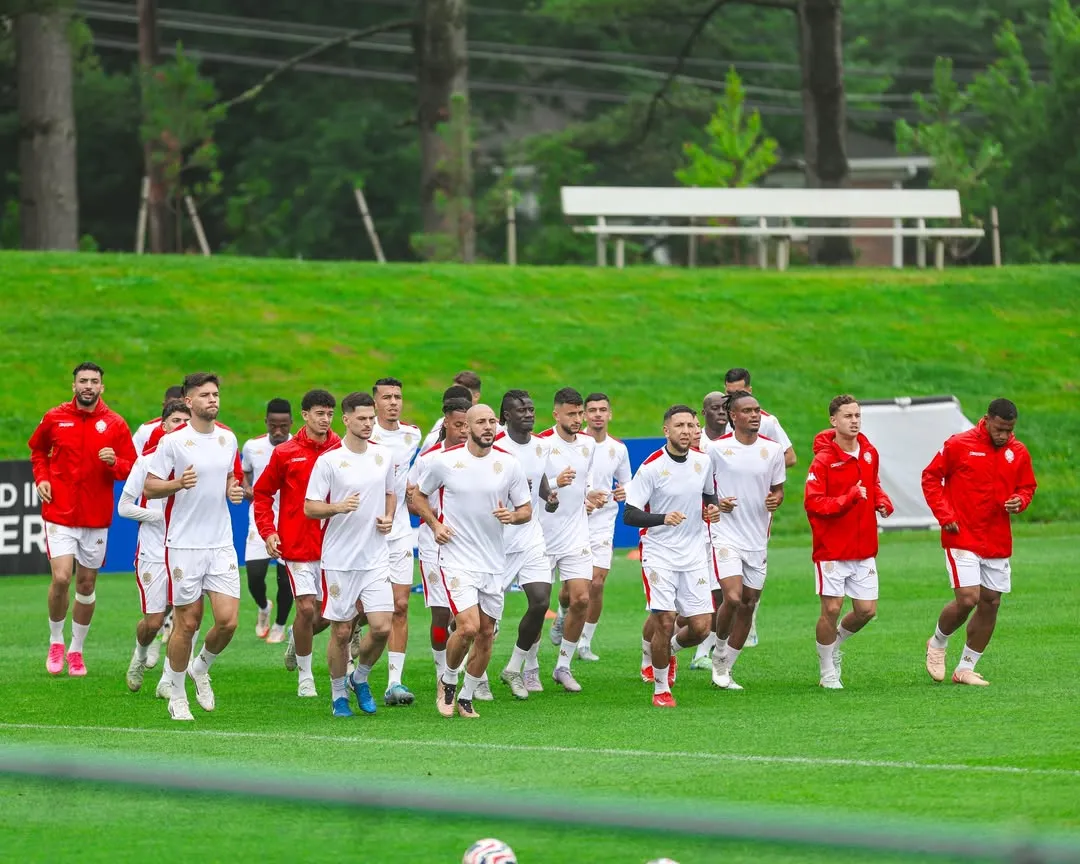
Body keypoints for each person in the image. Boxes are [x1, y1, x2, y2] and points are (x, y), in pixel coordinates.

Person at [411, 404, 532, 718]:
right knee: (467, 627)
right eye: (481, 422)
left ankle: (466, 697)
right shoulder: (444, 462)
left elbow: (526, 510)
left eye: (492, 421)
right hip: (456, 558)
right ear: (466, 426)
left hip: (493, 561)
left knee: (486, 633)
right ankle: (448, 680)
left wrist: (513, 515)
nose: (489, 427)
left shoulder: (509, 465)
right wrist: (436, 525)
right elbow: (418, 497)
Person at [144, 372, 246, 721]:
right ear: (189, 402)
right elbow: (150, 485)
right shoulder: (173, 442)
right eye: (204, 395)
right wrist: (176, 483)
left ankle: (200, 667)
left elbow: (233, 480)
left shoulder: (228, 439)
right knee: (187, 624)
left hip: (220, 542)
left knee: (229, 622)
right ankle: (176, 693)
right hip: (184, 544)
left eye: (215, 394)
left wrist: (234, 491)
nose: (212, 400)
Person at [29, 362, 138, 677]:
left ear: (102, 387)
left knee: (87, 584)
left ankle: (76, 650)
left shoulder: (115, 423)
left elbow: (130, 466)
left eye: (94, 381)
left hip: (95, 516)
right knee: (62, 577)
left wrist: (114, 462)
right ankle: (55, 642)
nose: (88, 386)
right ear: (73, 385)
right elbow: (38, 451)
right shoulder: (55, 417)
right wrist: (42, 479)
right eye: (83, 381)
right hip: (60, 512)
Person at [921, 398, 1036, 686]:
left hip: (996, 539)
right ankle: (937, 643)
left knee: (991, 602)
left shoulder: (1017, 452)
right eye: (999, 429)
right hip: (962, 534)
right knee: (968, 598)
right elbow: (931, 477)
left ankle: (965, 669)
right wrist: (945, 514)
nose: (1004, 436)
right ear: (987, 420)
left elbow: (1027, 486)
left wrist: (1020, 501)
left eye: (1009, 431)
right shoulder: (959, 444)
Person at [304, 392, 396, 718]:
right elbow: (310, 507)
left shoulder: (382, 456)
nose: (369, 424)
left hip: (374, 556)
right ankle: (338, 694)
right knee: (341, 631)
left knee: (383, 627)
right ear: (346, 420)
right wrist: (338, 507)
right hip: (340, 559)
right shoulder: (329, 461)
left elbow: (390, 493)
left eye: (372, 418)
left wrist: (388, 516)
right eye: (362, 419)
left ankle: (361, 678)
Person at [625, 405, 720, 707]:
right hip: (659, 552)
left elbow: (708, 495)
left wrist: (713, 508)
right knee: (664, 621)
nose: (686, 431)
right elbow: (629, 515)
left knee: (702, 627)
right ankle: (661, 689)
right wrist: (662, 518)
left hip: (694, 552)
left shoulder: (703, 462)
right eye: (679, 425)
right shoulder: (651, 467)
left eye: (691, 425)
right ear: (666, 430)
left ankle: (667, 652)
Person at [254, 389, 340, 698]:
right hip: (298, 544)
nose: (325, 419)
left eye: (330, 414)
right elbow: (262, 493)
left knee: (328, 616)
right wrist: (268, 531)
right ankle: (305, 676)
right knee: (305, 609)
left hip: (334, 545)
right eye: (319, 413)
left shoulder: (342, 450)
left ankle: (295, 637)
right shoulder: (286, 452)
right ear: (304, 415)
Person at [804, 395, 894, 689]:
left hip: (863, 546)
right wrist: (849, 498)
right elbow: (813, 503)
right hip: (832, 548)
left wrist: (880, 500)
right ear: (833, 421)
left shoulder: (869, 453)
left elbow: (873, 484)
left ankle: (833, 643)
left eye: (857, 415)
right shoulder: (823, 461)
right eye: (847, 416)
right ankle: (827, 669)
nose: (854, 421)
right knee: (831, 608)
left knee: (867, 610)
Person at [708, 390, 786, 691]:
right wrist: (717, 503)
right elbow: (702, 490)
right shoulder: (715, 449)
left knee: (749, 603)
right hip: (725, 533)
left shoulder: (773, 450)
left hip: (757, 536)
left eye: (757, 410)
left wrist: (775, 500)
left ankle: (726, 665)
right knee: (733, 597)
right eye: (748, 411)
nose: (755, 415)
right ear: (733, 416)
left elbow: (778, 490)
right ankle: (718, 652)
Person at [119, 399, 191, 690]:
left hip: (186, 550)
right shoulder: (147, 461)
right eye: (176, 421)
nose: (181, 426)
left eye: (187, 421)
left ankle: (169, 679)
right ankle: (139, 654)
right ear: (163, 426)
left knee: (186, 616)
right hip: (153, 551)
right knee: (153, 621)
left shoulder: (197, 465)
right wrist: (157, 516)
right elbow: (124, 507)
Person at [494, 390, 560, 698]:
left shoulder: (542, 446)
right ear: (506, 415)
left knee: (540, 601)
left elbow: (540, 477)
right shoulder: (495, 447)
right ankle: (470, 673)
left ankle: (514, 668)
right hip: (496, 540)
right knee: (485, 620)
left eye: (532, 409)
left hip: (531, 535)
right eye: (521, 410)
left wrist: (548, 497)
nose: (529, 414)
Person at [557, 392, 629, 663]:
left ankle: (584, 641)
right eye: (592, 410)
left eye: (603, 410)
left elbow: (626, 482)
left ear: (610, 414)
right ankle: (563, 615)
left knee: (597, 582)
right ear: (584, 415)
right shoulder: (576, 444)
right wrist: (585, 499)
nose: (598, 414)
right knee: (573, 590)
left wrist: (623, 492)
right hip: (575, 520)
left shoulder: (618, 448)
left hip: (603, 521)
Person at [541, 387, 604, 692]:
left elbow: (585, 480)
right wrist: (555, 482)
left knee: (581, 598)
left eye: (580, 413)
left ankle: (562, 666)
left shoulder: (588, 444)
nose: (578, 419)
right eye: (571, 413)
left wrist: (589, 495)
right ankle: (526, 666)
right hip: (541, 535)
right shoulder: (541, 444)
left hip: (576, 532)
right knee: (537, 605)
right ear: (556, 414)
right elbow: (529, 485)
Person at [406, 396, 472, 684]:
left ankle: (461, 669)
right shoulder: (429, 458)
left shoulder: (484, 458)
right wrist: (433, 516)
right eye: (458, 425)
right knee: (441, 612)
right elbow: (411, 501)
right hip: (435, 543)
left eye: (468, 425)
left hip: (472, 546)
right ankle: (441, 671)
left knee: (468, 616)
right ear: (446, 422)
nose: (464, 431)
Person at [369, 377, 422, 706]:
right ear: (374, 402)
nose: (393, 402)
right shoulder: (364, 433)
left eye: (397, 397)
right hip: (364, 533)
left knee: (400, 606)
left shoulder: (411, 435)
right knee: (360, 612)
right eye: (386, 397)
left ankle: (394, 682)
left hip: (399, 529)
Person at [241, 398, 293, 642]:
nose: (278, 431)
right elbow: (245, 475)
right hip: (260, 518)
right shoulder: (253, 447)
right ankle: (263, 607)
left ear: (291, 423)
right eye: (273, 425)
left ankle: (280, 625)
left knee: (286, 580)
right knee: (254, 576)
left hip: (291, 520)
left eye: (283, 426)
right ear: (266, 423)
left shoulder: (298, 446)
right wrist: (247, 489)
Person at [690, 391, 729, 670]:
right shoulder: (695, 442)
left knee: (722, 594)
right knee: (691, 602)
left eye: (725, 407)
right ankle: (659, 648)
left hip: (728, 528)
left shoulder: (737, 441)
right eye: (715, 408)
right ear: (704, 413)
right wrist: (713, 502)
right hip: (696, 529)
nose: (721, 412)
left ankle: (703, 652)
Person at [421, 383, 478, 452]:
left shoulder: (481, 442)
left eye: (467, 426)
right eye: (458, 425)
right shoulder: (432, 441)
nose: (463, 430)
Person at [132, 385, 184, 455]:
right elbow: (134, 460)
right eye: (172, 406)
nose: (177, 411)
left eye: (182, 407)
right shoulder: (146, 430)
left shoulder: (198, 429)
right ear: (163, 406)